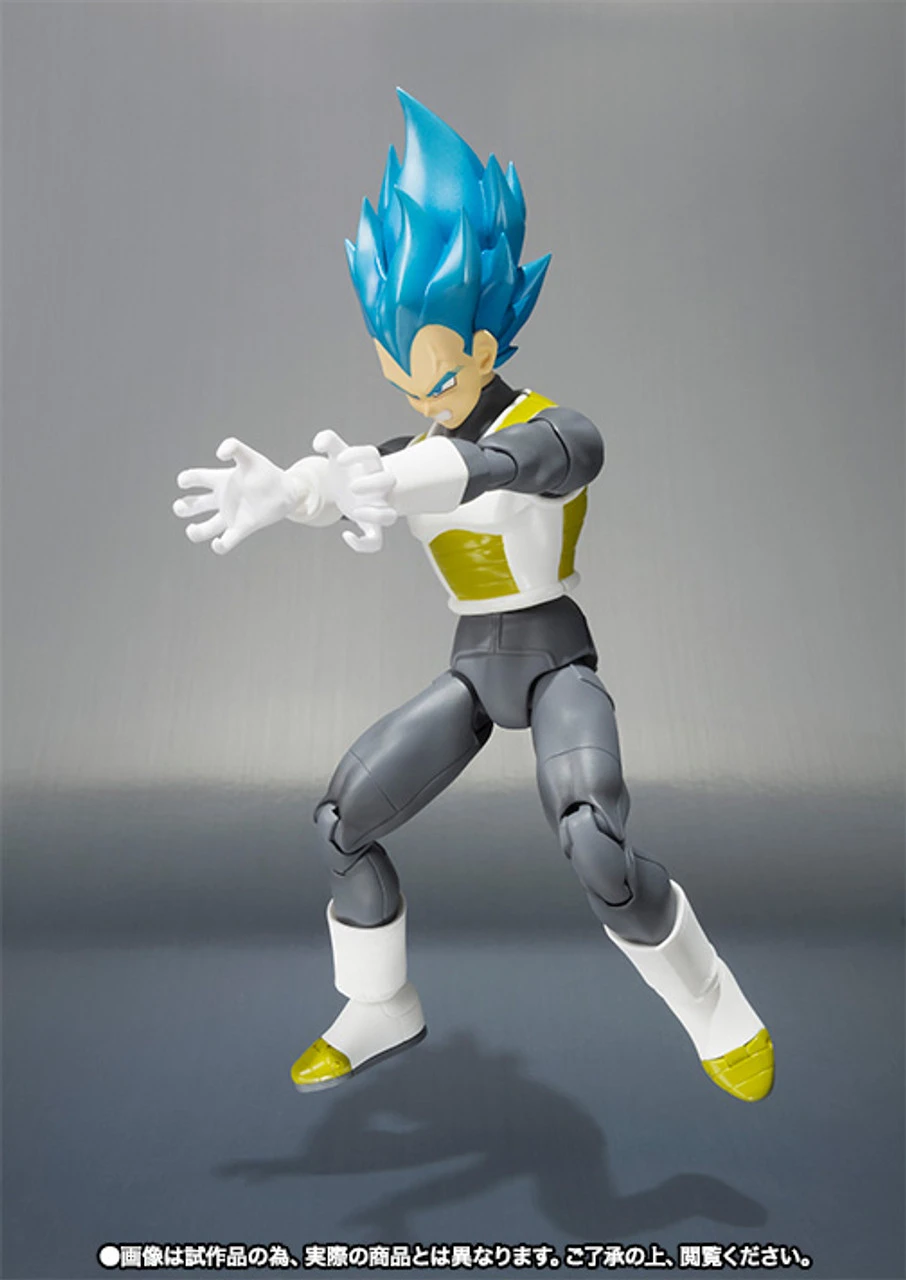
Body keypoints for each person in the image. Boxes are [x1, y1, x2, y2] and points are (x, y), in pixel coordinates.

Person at [174, 90, 774, 1102]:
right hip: (471, 669)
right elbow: (359, 475)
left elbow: (506, 464)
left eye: (436, 378)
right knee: (341, 823)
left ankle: (714, 1003)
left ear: (485, 349)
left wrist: (398, 475)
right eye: (400, 382)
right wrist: (291, 491)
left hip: (554, 662)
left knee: (592, 836)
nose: (420, 403)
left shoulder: (555, 429)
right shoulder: (409, 445)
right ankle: (380, 1004)